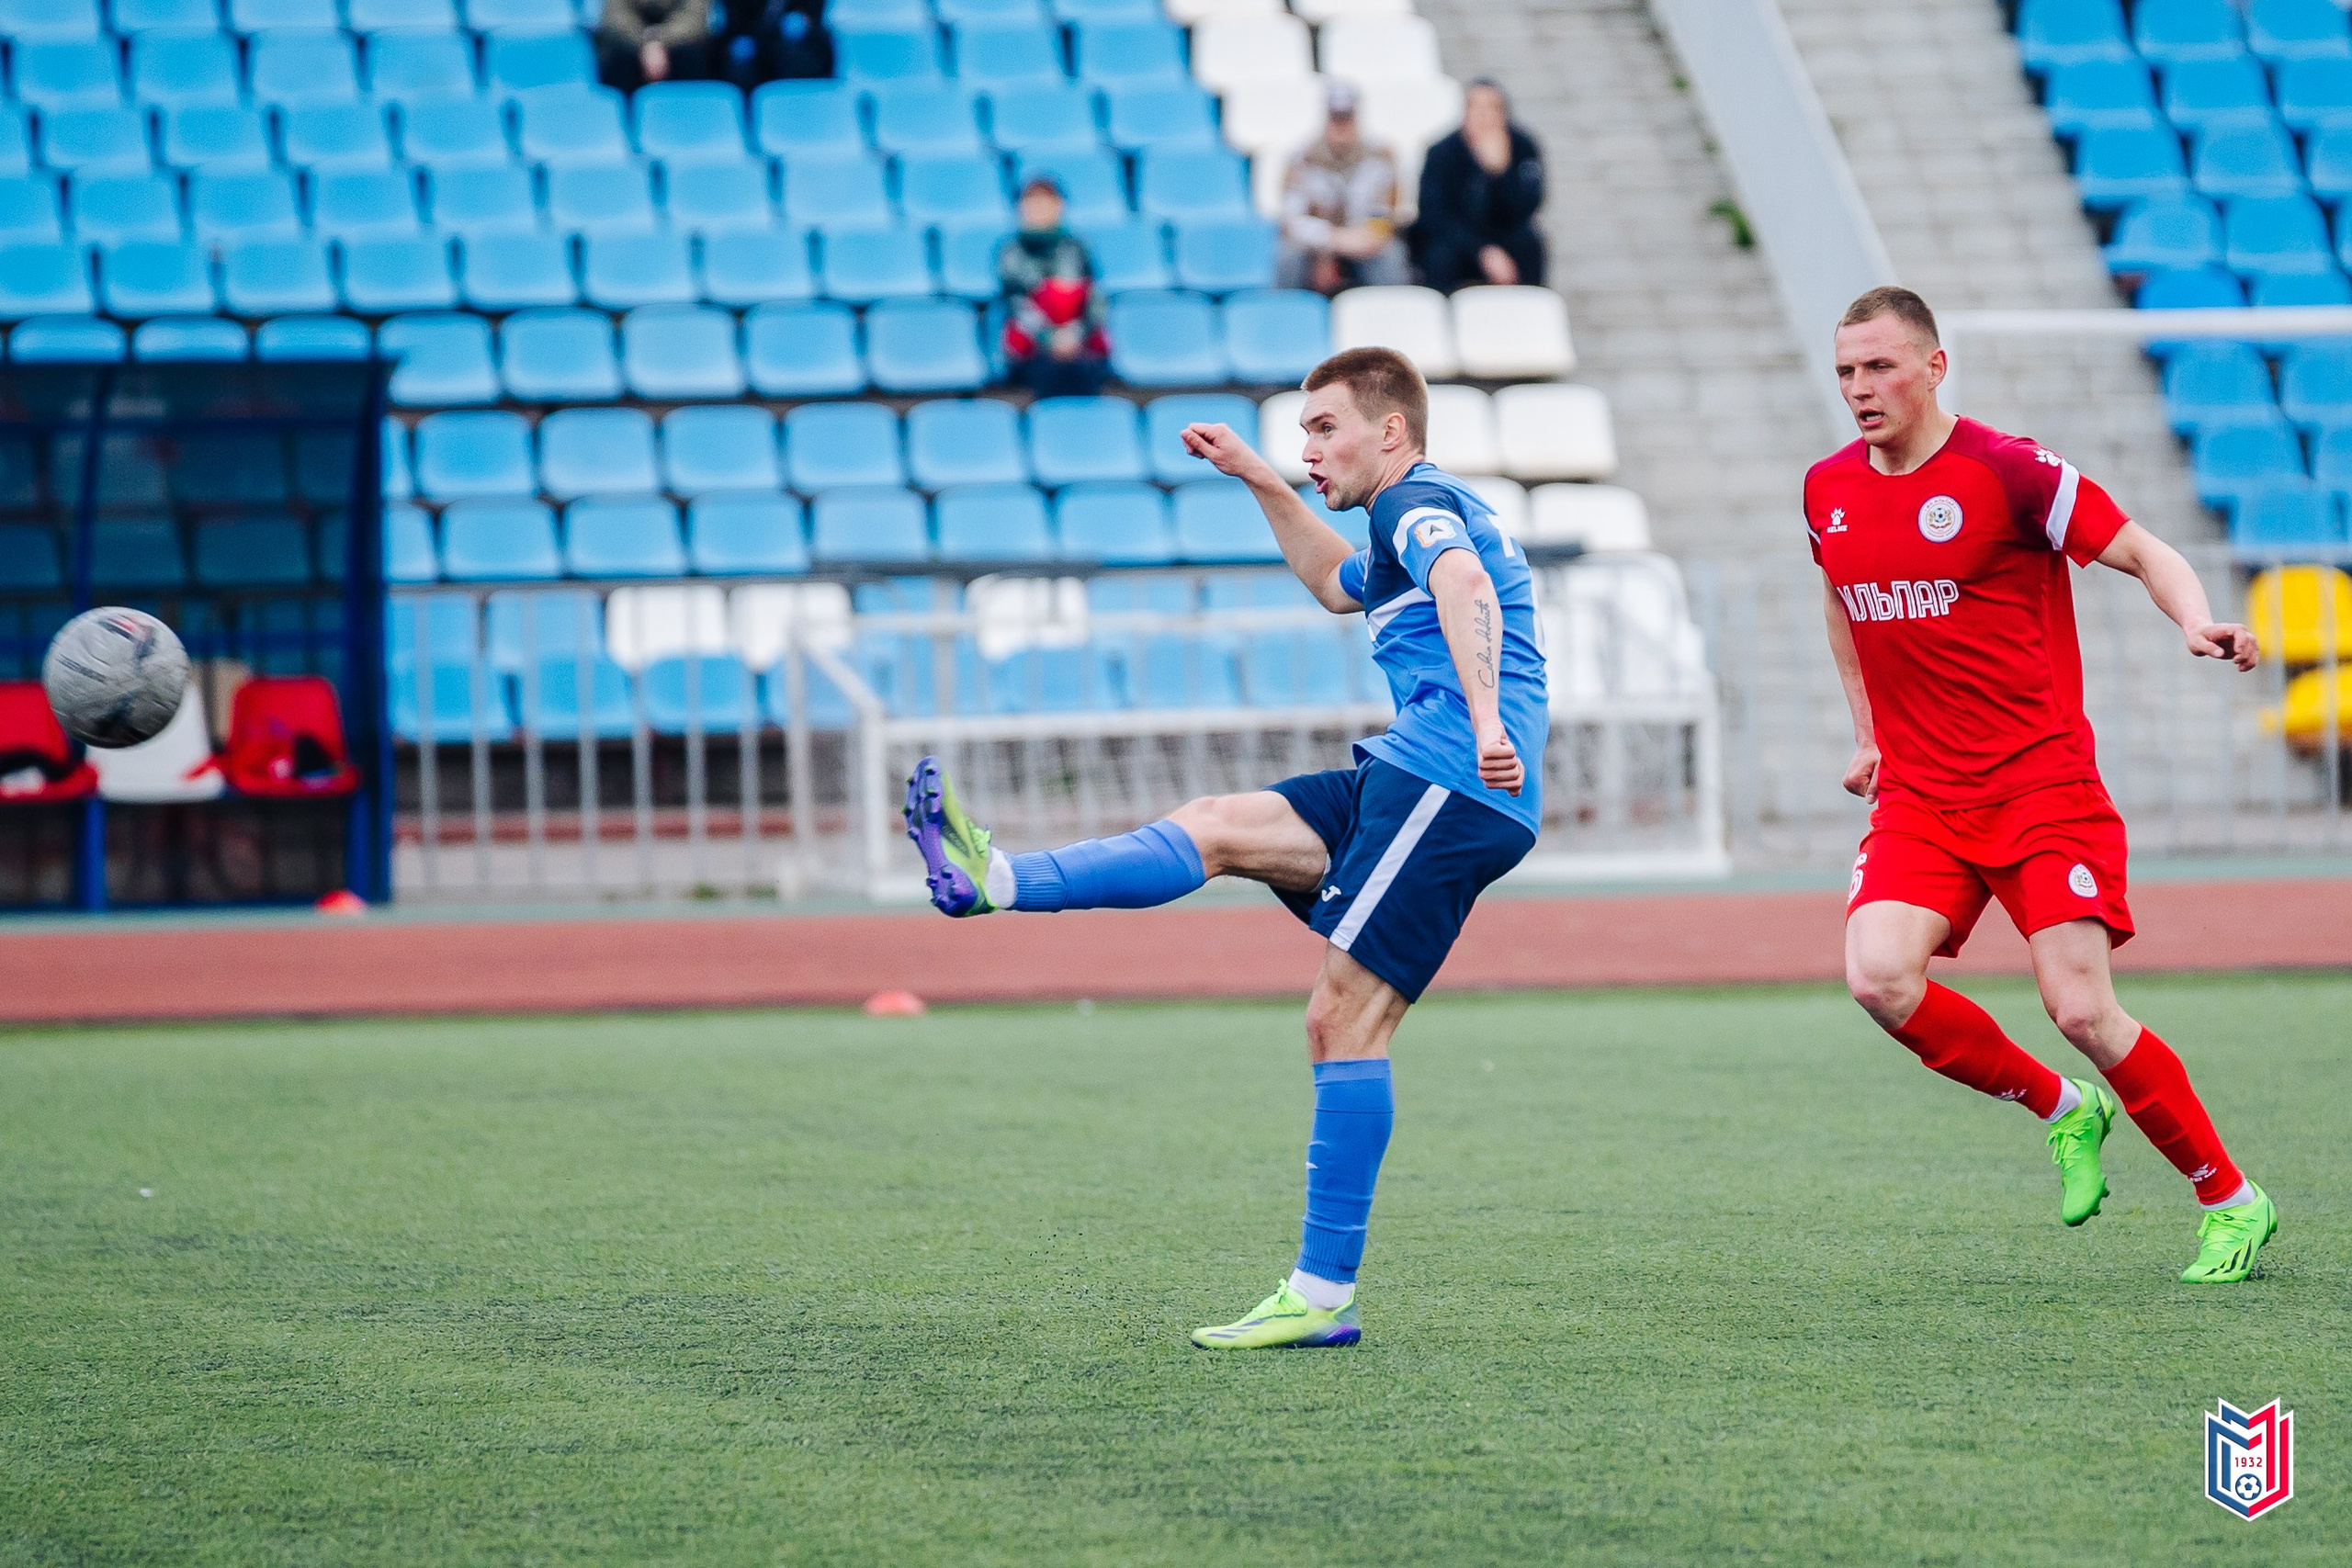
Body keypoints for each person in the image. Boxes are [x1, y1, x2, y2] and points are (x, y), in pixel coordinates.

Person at [902, 347, 1548, 1348]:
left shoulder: (1413, 502)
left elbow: (1462, 579)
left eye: (1324, 428)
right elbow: (1336, 587)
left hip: (1453, 780)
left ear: (1390, 431)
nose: (1310, 447)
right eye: (1302, 434)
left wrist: (1487, 719)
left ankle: (1322, 1297)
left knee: (1342, 1020)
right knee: (1216, 827)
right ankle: (994, 880)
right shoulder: (1390, 522)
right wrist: (1259, 476)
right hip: (1408, 767)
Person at [1810, 286, 2277, 1284]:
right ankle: (2064, 1110)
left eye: (1880, 366)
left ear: (1934, 368)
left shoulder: (2008, 471)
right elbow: (1842, 602)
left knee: (2080, 1010)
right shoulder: (1826, 489)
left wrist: (2193, 621)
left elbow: (2144, 548)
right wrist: (1865, 733)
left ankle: (2230, 1200)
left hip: (2039, 787)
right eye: (1846, 369)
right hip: (1922, 797)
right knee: (1877, 978)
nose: (1859, 388)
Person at [1414, 77, 1545, 294]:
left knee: (1530, 244)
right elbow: (1433, 214)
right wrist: (1481, 250)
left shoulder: (1523, 147)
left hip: (1504, 235)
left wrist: (1499, 175)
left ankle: (1529, 311)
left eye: (1492, 108)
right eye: (1475, 107)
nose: (1483, 116)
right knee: (1439, 254)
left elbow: (1528, 206)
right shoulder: (1441, 152)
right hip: (1458, 239)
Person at [1276, 84, 1410, 295]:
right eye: (1335, 118)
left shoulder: (1381, 156)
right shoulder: (1301, 158)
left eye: (1346, 118)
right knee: (1288, 256)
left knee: (1391, 256)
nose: (1340, 126)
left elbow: (1386, 213)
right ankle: (1283, 314)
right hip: (1316, 242)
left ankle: (1392, 315)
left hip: (1363, 240)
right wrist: (1331, 241)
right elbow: (1293, 220)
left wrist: (1367, 237)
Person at [996, 175, 1110, 398]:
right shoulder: (1011, 252)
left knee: (1085, 371)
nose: (1040, 210)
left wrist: (1076, 334)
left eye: (1047, 202)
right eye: (1032, 203)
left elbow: (1093, 298)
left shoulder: (1078, 248)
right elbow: (1015, 304)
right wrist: (1049, 337)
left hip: (1078, 344)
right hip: (1033, 347)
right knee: (1049, 372)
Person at [597, 0, 713, 93]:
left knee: (690, 55)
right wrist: (646, 44)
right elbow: (615, 17)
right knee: (619, 55)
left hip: (678, 47)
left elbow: (694, 18)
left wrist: (659, 42)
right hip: (632, 47)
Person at [718, 0, 832, 87]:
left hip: (801, 51)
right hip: (755, 48)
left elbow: (814, 22)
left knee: (794, 26)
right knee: (741, 50)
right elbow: (734, 26)